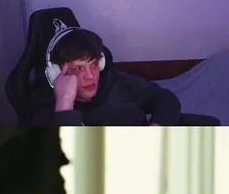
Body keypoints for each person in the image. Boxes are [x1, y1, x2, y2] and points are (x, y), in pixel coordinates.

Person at [28, 22, 201, 127]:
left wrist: (156, 127)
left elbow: (164, 98)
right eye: (78, 69)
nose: (90, 76)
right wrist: (64, 106)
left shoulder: (115, 81)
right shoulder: (44, 109)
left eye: (94, 65)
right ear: (56, 73)